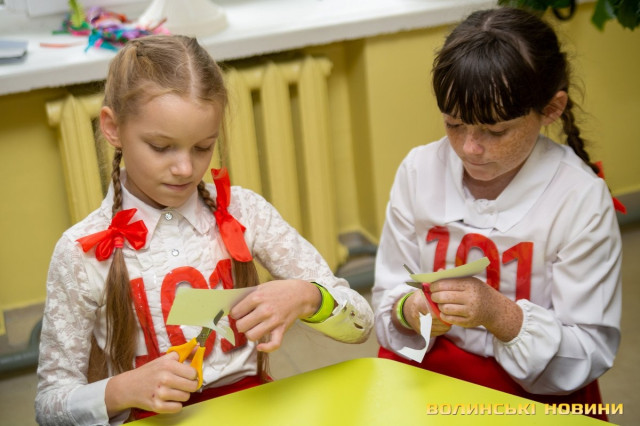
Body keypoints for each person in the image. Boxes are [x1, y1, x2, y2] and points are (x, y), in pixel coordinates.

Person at [35, 35, 373, 425]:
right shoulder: (80, 251)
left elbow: (361, 325)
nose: (185, 168)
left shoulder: (245, 211)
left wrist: (309, 296)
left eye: (202, 147)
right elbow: (49, 406)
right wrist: (120, 390)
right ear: (113, 128)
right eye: (161, 147)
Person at [372, 7, 622, 420]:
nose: (469, 148)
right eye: (454, 124)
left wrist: (500, 315)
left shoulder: (580, 199)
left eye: (495, 131)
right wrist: (409, 310)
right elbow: (388, 294)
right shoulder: (419, 170)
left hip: (534, 395)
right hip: (431, 375)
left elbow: (588, 350)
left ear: (552, 109)